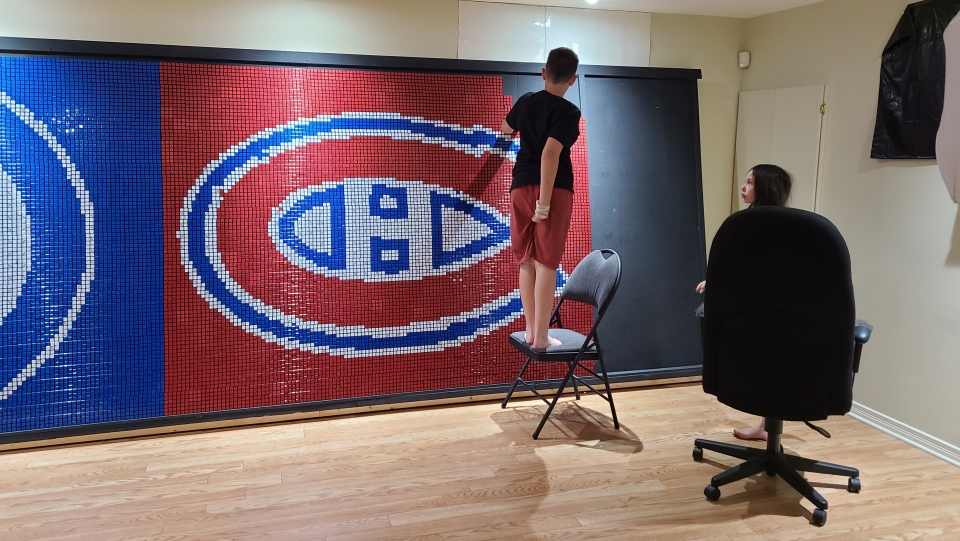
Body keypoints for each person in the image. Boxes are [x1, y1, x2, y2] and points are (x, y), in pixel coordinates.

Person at [696, 164, 793, 441]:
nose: (743, 187)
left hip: (759, 310)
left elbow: (748, 269)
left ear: (764, 188)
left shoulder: (751, 225)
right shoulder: (785, 225)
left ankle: (764, 425)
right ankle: (765, 427)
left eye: (750, 182)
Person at [501, 47, 581, 350]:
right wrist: (544, 204)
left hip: (520, 186)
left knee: (526, 260)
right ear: (573, 80)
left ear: (543, 72)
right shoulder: (568, 112)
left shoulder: (525, 102)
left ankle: (531, 331)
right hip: (554, 190)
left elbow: (506, 127)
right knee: (547, 263)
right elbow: (550, 153)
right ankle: (542, 337)